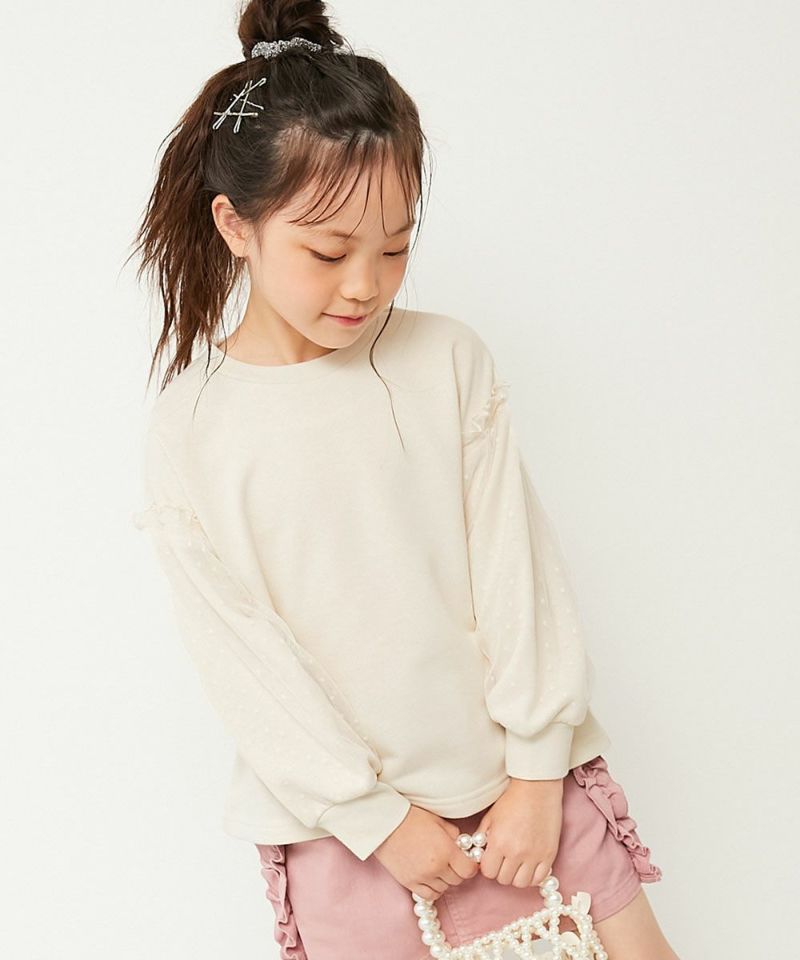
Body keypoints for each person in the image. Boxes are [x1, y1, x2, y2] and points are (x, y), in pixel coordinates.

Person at [130, 2, 679, 958]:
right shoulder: (194, 429)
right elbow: (245, 662)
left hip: (526, 799)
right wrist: (377, 817)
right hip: (350, 842)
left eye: (394, 247)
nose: (365, 284)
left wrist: (537, 773)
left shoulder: (445, 361)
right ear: (235, 224)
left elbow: (515, 571)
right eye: (328, 251)